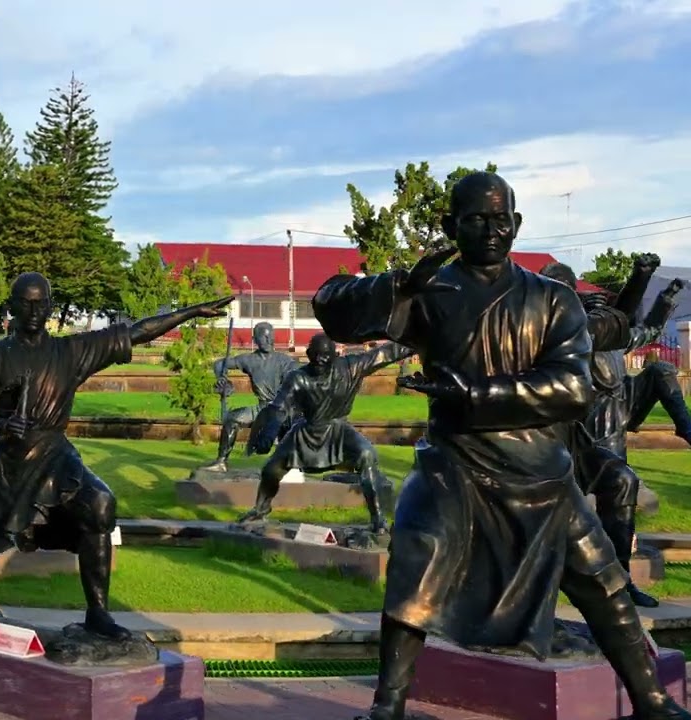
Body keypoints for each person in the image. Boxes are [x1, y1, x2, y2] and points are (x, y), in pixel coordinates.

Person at [313, 171, 690, 720]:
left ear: (516, 223)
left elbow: (573, 388)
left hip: (540, 469)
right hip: (453, 463)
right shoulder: (430, 294)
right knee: (416, 559)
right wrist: (396, 284)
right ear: (450, 225)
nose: (492, 230)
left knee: (602, 579)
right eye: (476, 220)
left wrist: (474, 392)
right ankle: (388, 704)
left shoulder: (552, 299)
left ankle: (652, 699)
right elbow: (332, 310)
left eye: (502, 219)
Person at [0, 272, 232, 638]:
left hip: (56, 455)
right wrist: (0, 426)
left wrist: (189, 312)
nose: (33, 310)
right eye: (25, 302)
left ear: (50, 306)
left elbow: (136, 331)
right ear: (10, 306)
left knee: (100, 504)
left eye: (40, 302)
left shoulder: (70, 352)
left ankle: (98, 612)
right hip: (11, 459)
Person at [540, 258, 687, 609]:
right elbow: (621, 314)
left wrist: (660, 294)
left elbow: (642, 328)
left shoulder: (612, 341)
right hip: (575, 437)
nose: (599, 309)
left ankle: (620, 583)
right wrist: (640, 277)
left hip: (616, 418)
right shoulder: (562, 334)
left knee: (623, 480)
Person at [242, 335, 410, 533]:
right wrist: (269, 434)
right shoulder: (298, 378)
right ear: (309, 355)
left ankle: (377, 519)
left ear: (335, 355)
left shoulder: (351, 367)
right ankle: (261, 509)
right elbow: (279, 407)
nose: (321, 360)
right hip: (307, 432)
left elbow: (385, 354)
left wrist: (417, 340)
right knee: (271, 470)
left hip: (339, 430)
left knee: (367, 454)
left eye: (325, 356)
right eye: (317, 356)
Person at [202, 321, 300, 471]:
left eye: (270, 337)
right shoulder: (248, 360)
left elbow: (296, 378)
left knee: (289, 425)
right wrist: (222, 379)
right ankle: (221, 461)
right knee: (231, 418)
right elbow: (218, 365)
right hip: (261, 408)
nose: (268, 341)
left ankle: (290, 465)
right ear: (255, 339)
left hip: (281, 409)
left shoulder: (285, 361)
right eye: (263, 337)